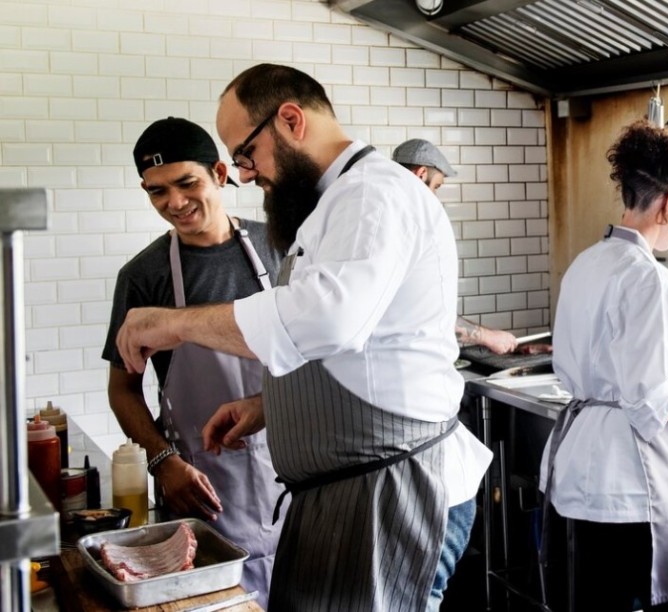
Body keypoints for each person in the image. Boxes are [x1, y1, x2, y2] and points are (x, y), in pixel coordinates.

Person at [114, 63, 492, 612]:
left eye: (246, 154)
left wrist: (172, 322)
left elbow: (326, 320)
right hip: (351, 492)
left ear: (290, 120)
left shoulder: (371, 195)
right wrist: (270, 404)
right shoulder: (332, 206)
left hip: (391, 490)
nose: (245, 175)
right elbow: (355, 351)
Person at [538, 120, 668, 611]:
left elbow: (611, 343)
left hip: (581, 473)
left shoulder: (590, 261)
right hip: (629, 485)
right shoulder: (648, 278)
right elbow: (651, 403)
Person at [101, 117, 283, 606]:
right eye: (157, 192)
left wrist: (269, 405)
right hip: (202, 487)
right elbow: (122, 389)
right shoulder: (144, 276)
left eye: (187, 183)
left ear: (220, 174)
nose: (175, 204)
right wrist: (164, 463)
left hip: (293, 473)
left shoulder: (281, 245)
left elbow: (318, 353)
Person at [392, 138, 520, 355]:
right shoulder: (409, 227)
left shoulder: (389, 215)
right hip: (407, 364)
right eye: (437, 186)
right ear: (421, 173)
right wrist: (487, 336)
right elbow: (425, 311)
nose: (435, 197)